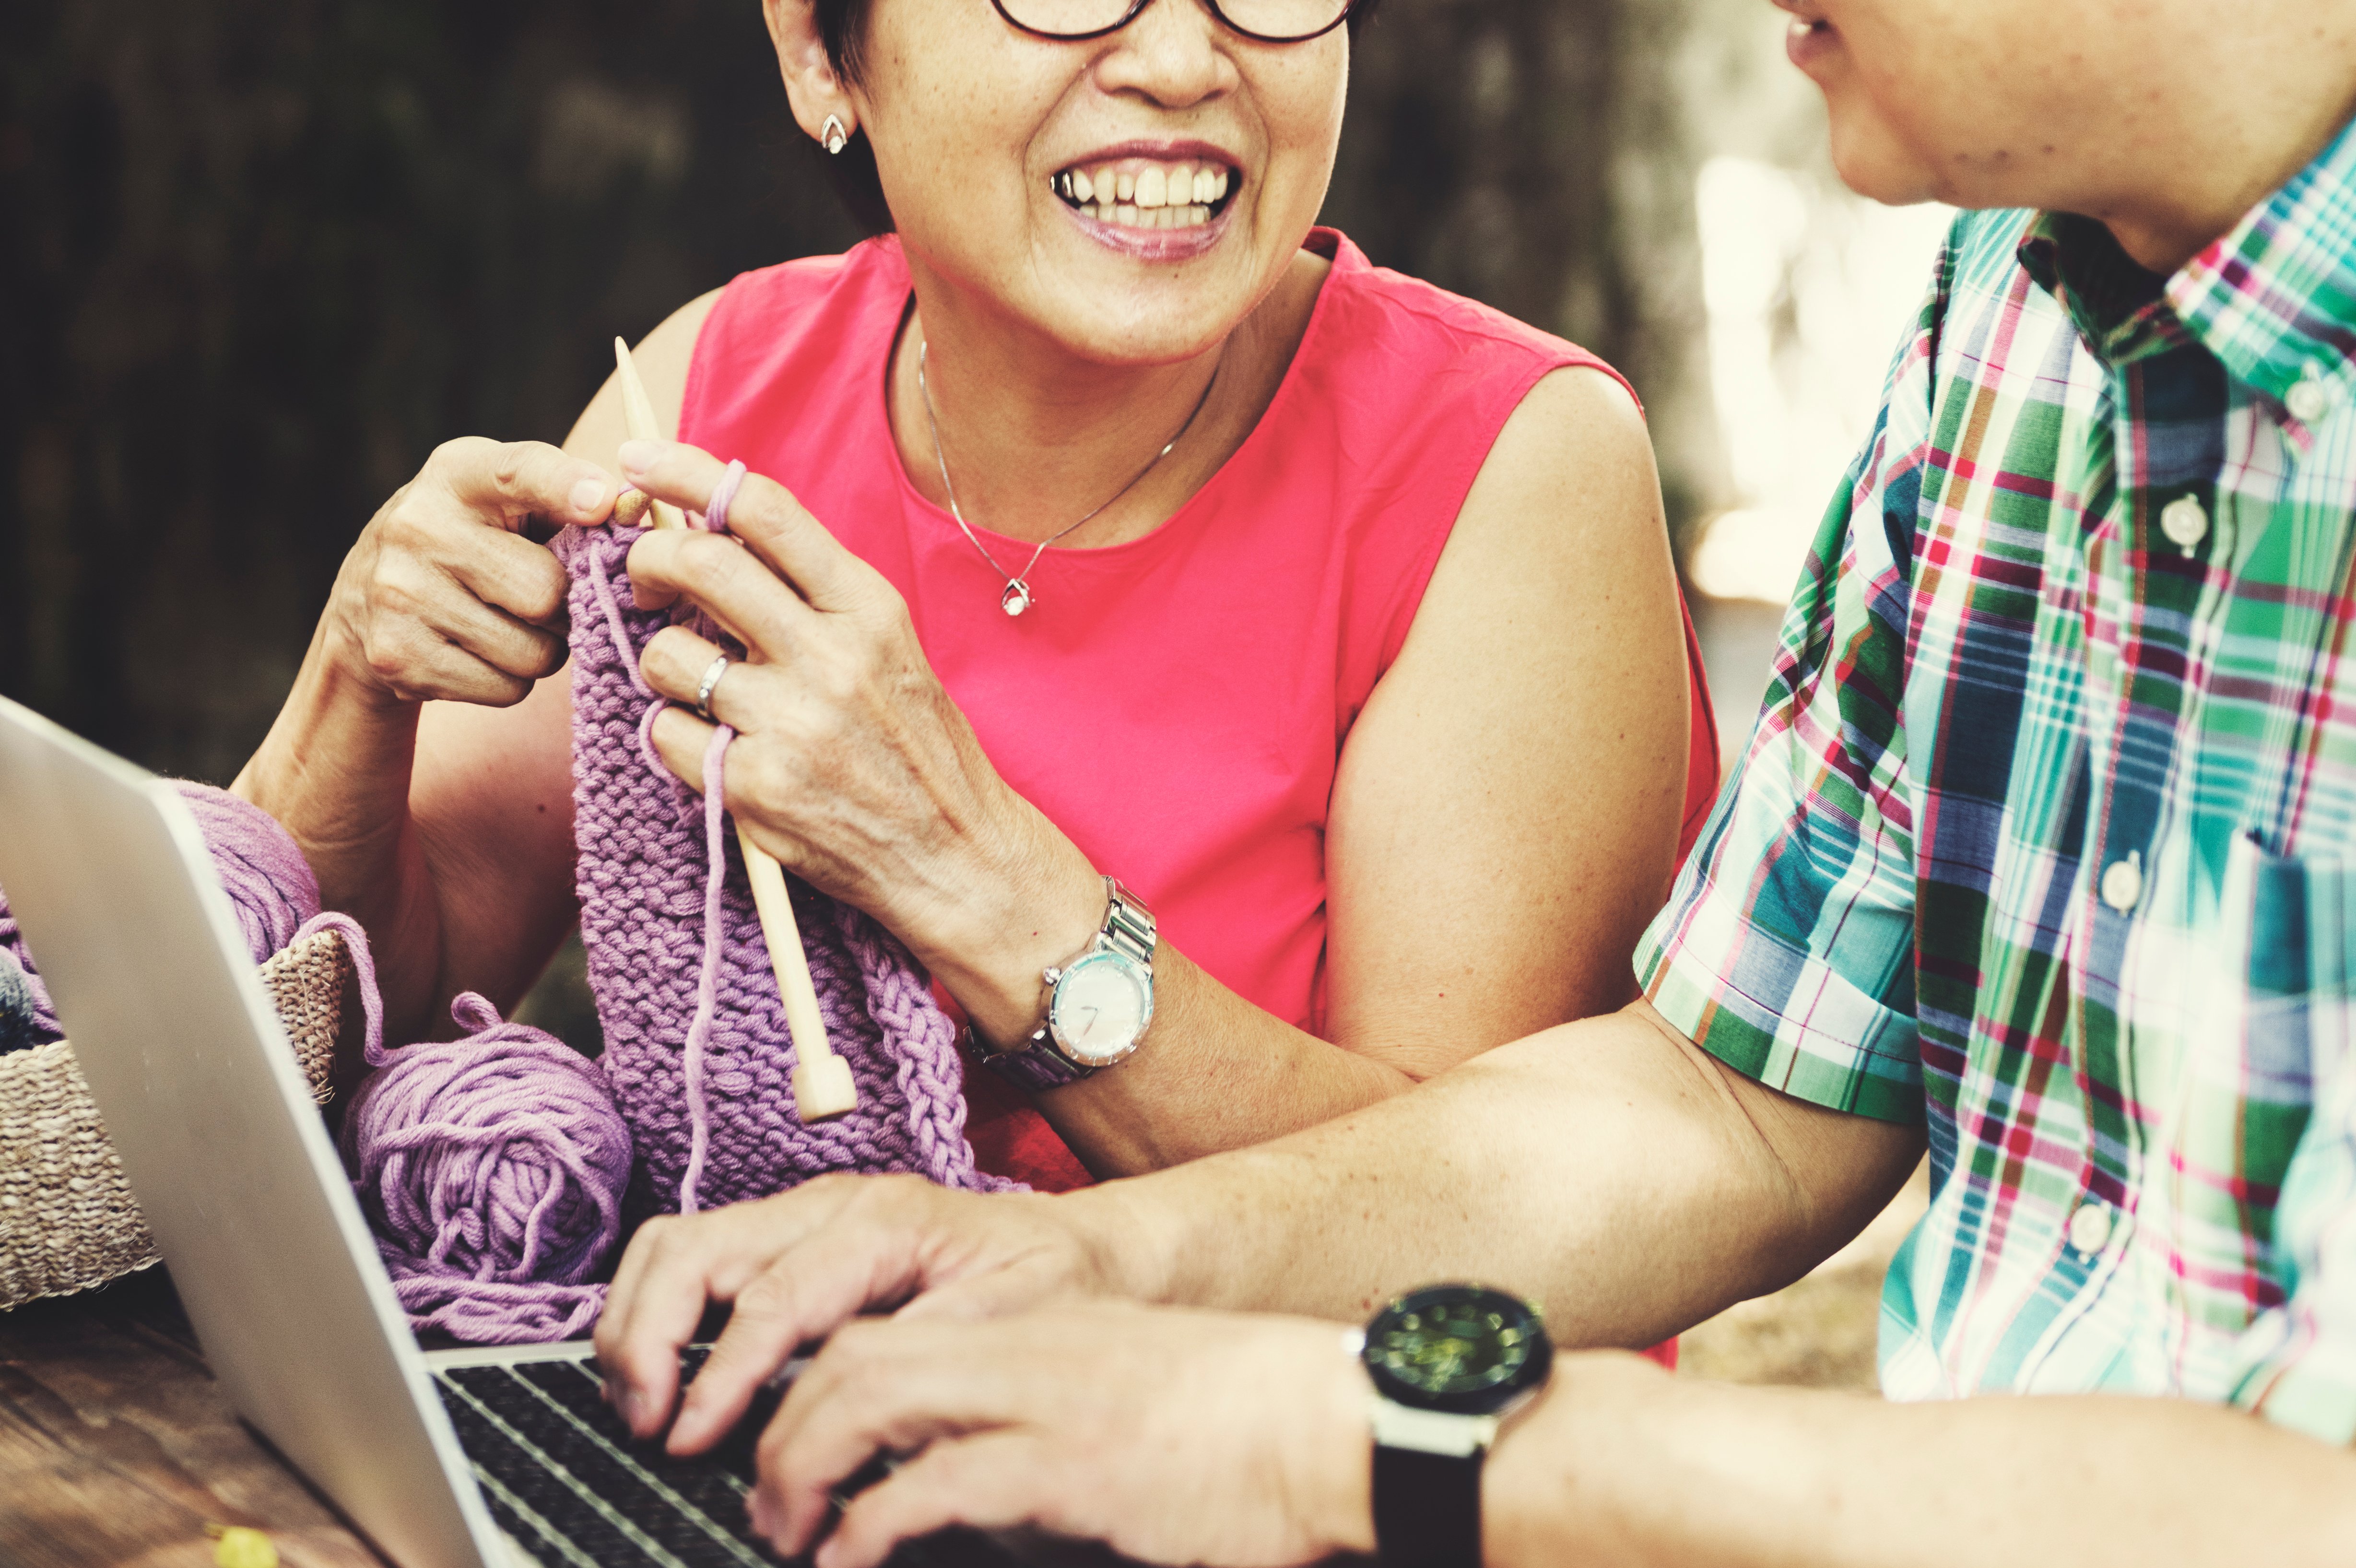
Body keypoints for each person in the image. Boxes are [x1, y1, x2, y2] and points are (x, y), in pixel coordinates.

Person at [592, 0, 2356, 1568]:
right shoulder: (2019, 311)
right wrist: (1077, 1259)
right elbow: (1727, 1103)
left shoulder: (1491, 439)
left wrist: (1338, 1428)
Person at [233, 0, 1716, 1195]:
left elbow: (1488, 1243)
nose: (1186, 57)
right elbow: (366, 1021)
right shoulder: (711, 398)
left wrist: (982, 883)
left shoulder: (1505, 467)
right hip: (786, 1455)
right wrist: (354, 683)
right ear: (823, 48)